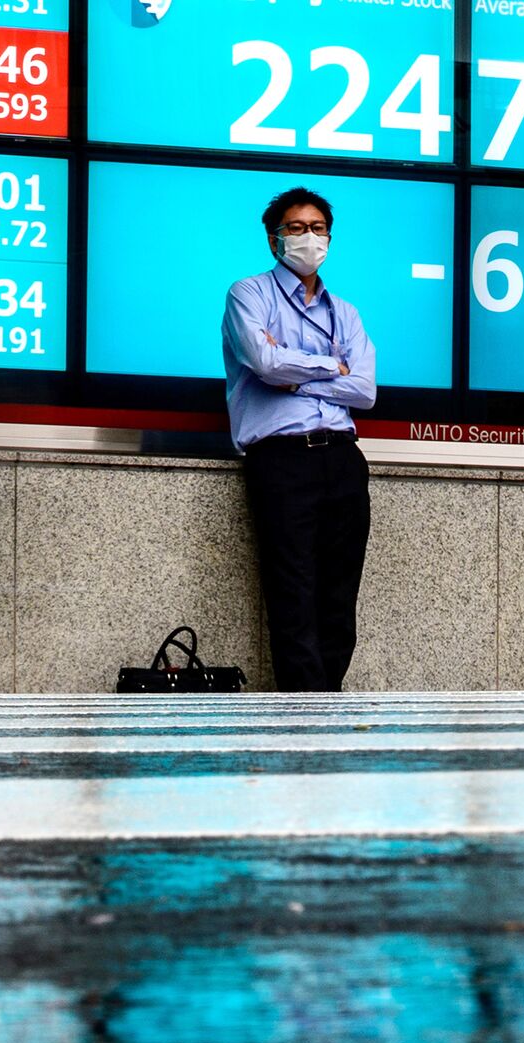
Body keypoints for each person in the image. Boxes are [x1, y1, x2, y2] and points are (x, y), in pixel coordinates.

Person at [221, 187, 376, 692]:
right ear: (274, 240)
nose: (308, 238)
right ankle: (304, 714)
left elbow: (366, 390)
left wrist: (298, 370)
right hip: (281, 459)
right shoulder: (249, 295)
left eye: (317, 228)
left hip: (343, 459)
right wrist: (333, 366)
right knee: (293, 592)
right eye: (296, 228)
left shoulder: (346, 312)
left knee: (339, 594)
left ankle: (326, 703)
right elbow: (265, 365)